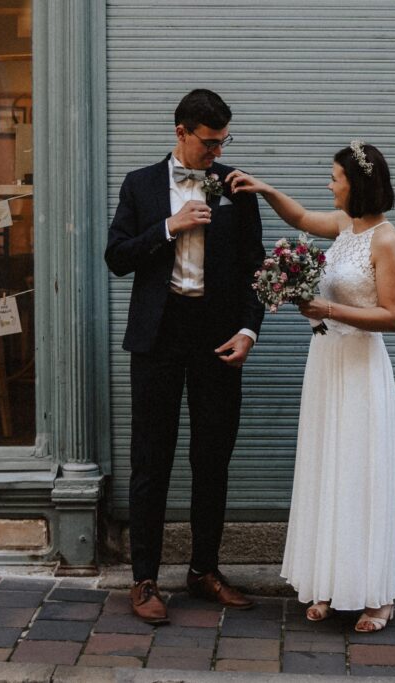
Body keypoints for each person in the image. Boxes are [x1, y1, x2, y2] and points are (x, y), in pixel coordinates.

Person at [227, 141, 395, 633]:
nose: (329, 186)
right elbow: (303, 218)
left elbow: (394, 316)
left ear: (357, 184)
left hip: (361, 367)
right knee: (329, 470)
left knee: (359, 473)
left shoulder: (386, 240)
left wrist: (328, 308)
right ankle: (330, 582)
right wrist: (265, 189)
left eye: (335, 178)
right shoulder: (346, 226)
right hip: (326, 362)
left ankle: (375, 597)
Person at [105, 89, 265, 624]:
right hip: (159, 336)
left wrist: (249, 330)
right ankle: (145, 579)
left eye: (223, 142)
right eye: (209, 142)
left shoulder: (236, 187)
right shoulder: (141, 184)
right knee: (151, 459)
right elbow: (116, 257)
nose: (217, 153)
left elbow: (256, 268)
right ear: (181, 132)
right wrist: (168, 227)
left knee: (212, 458)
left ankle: (204, 571)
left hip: (218, 339)